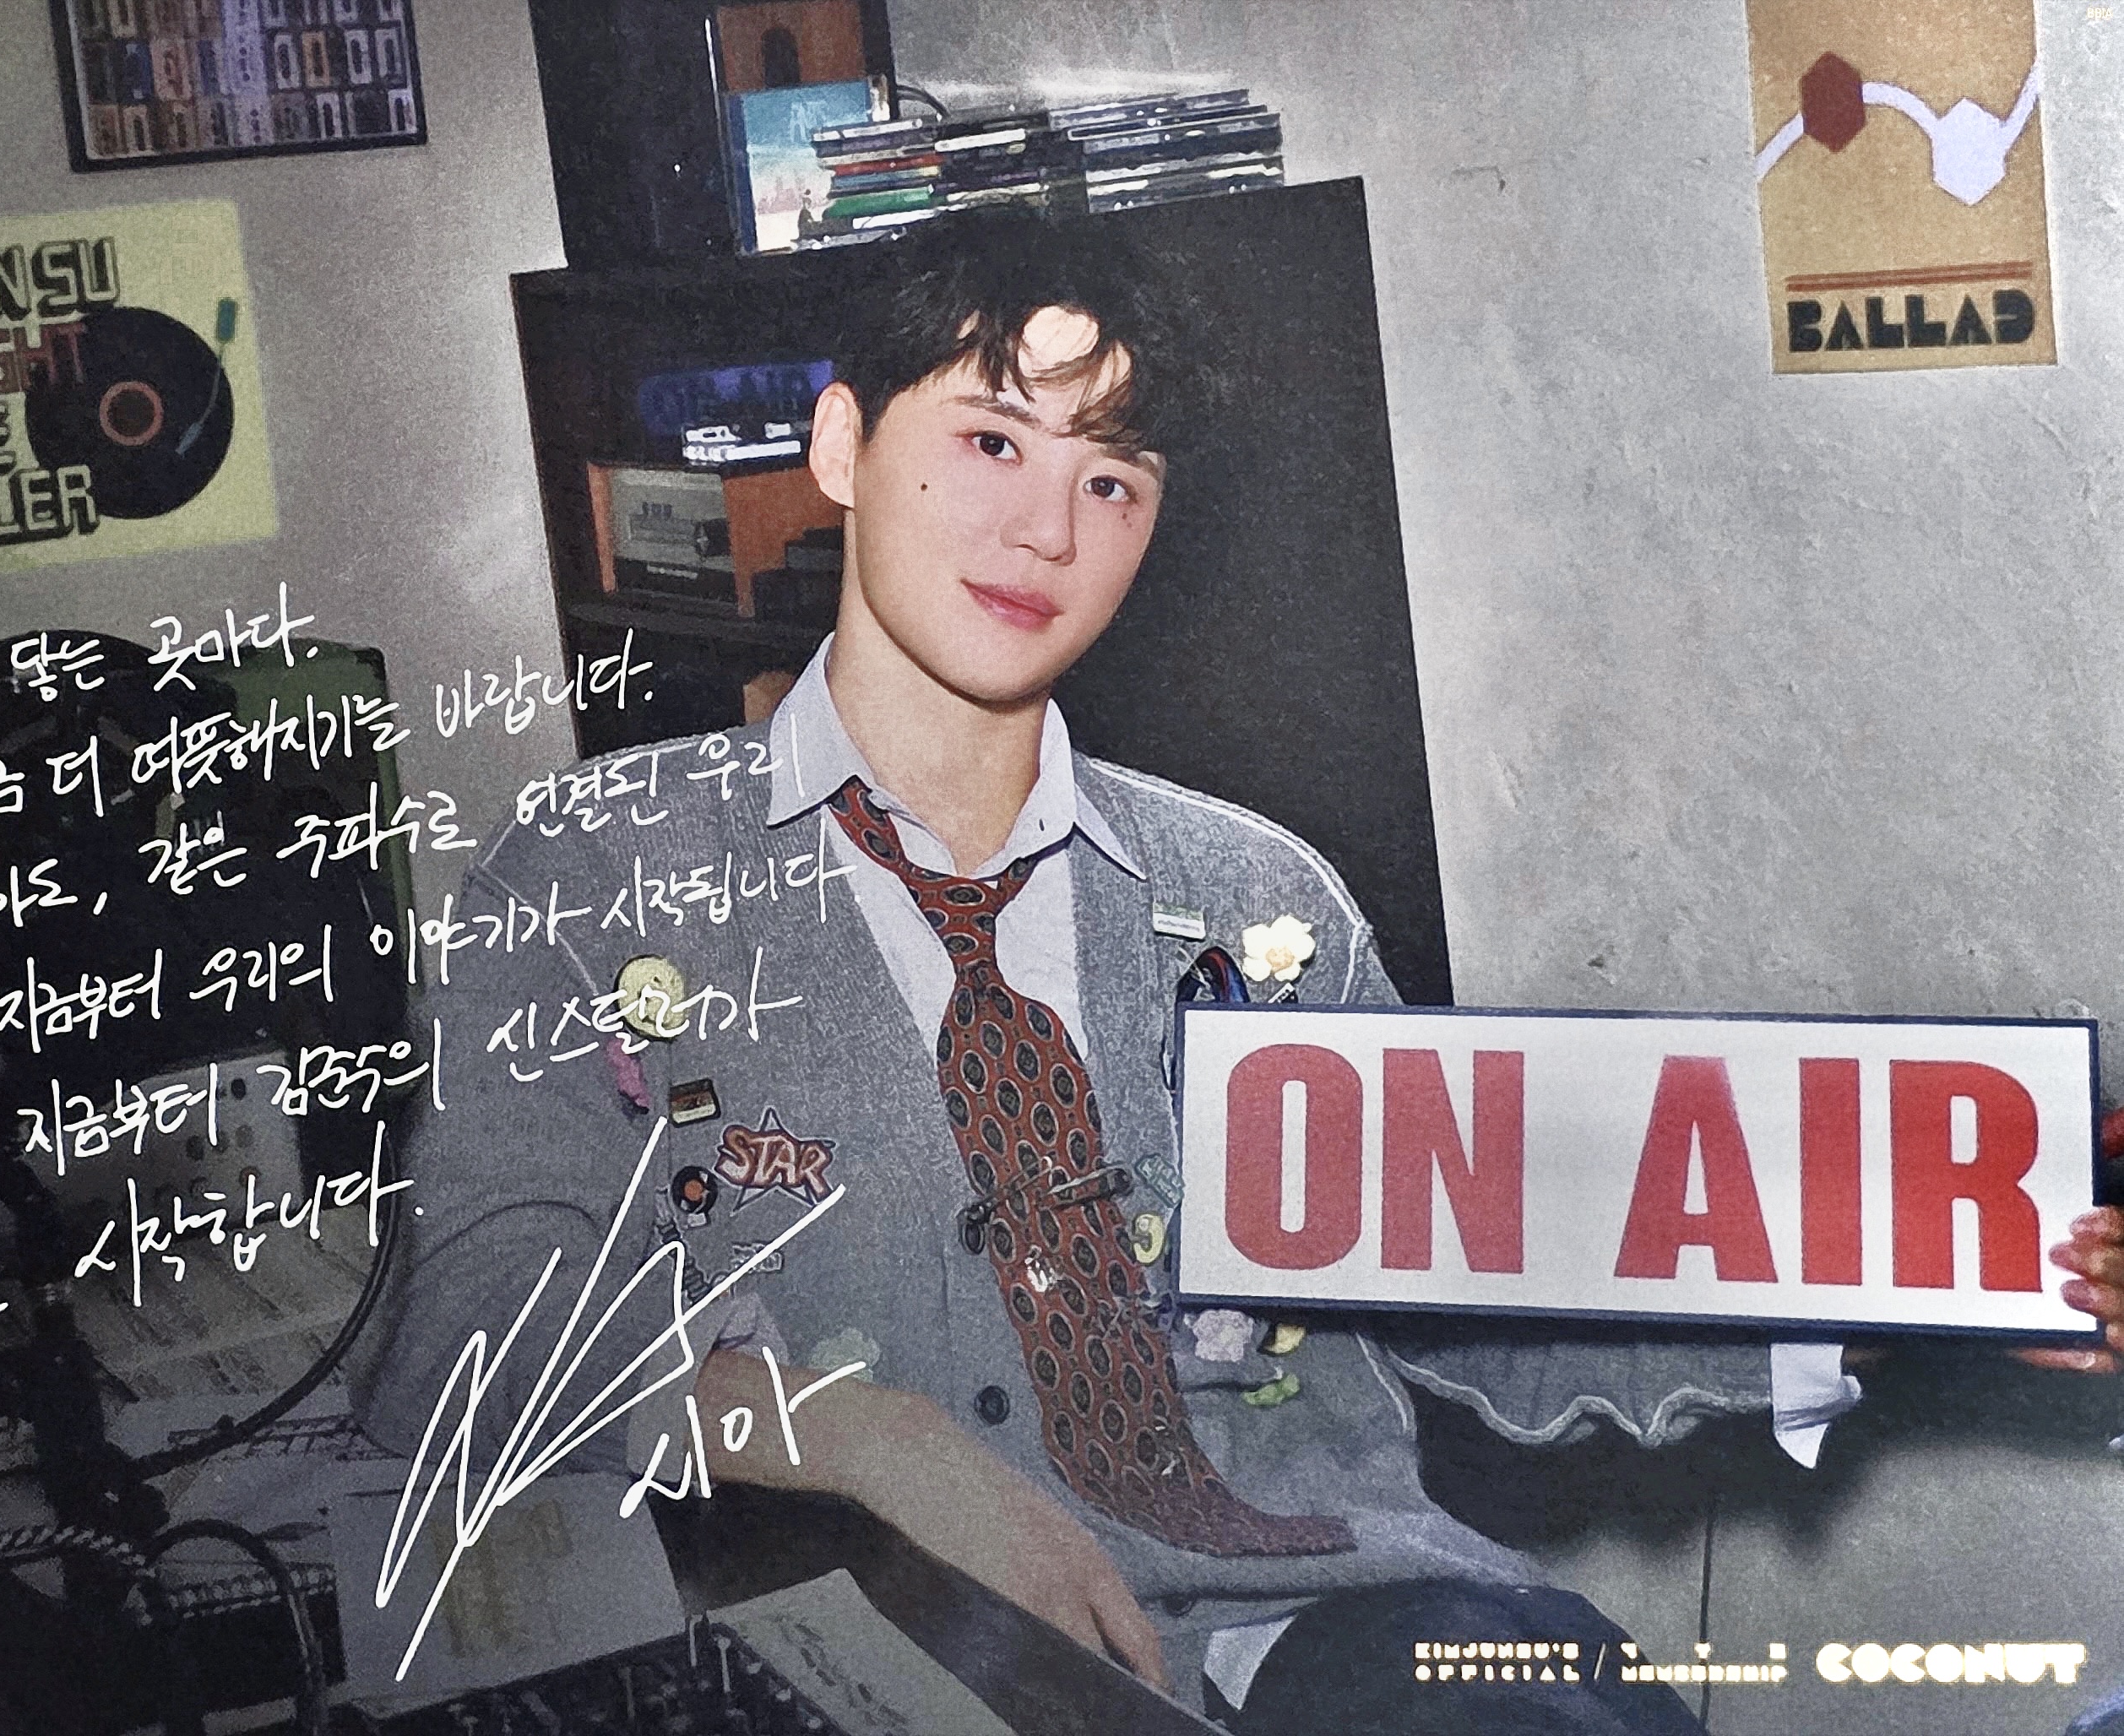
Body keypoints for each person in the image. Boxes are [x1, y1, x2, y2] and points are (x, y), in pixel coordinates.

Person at [350, 207, 2124, 1733]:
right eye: (989, 441)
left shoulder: (1254, 895)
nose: (1047, 530)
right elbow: (467, 1340)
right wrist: (864, 1436)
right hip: (898, 1636)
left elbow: (1483, 1292)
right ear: (838, 444)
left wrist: (1933, 1267)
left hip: (1331, 1628)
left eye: (1108, 477)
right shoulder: (594, 870)